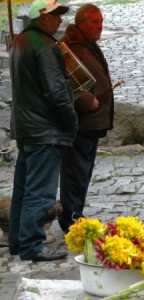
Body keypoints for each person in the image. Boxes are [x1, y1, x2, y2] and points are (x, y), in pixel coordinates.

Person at [8, 0, 78, 261]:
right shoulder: (46, 47)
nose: (60, 20)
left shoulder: (19, 42)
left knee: (24, 189)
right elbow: (56, 92)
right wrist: (71, 121)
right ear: (42, 18)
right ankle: (32, 245)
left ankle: (18, 240)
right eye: (56, 15)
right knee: (40, 191)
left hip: (27, 128)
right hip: (44, 130)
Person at [58, 4, 114, 232]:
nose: (99, 26)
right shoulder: (69, 47)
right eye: (94, 22)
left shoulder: (87, 44)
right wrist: (83, 100)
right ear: (80, 22)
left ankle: (75, 215)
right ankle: (71, 220)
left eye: (101, 21)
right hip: (80, 123)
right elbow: (64, 85)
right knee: (75, 173)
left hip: (91, 124)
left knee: (82, 172)